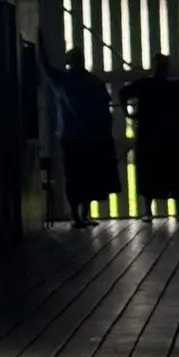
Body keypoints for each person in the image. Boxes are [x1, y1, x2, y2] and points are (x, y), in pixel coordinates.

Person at [38, 26, 120, 227]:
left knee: (74, 176)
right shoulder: (94, 82)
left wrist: (40, 44)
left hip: (73, 137)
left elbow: (46, 67)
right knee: (88, 176)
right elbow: (105, 110)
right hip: (93, 137)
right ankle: (83, 214)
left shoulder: (64, 81)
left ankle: (77, 215)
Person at [120, 53, 179, 220]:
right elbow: (123, 93)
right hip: (163, 136)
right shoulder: (171, 86)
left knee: (165, 172)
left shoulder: (148, 85)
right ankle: (157, 211)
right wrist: (129, 114)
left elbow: (123, 93)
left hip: (158, 136)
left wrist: (129, 114)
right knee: (157, 173)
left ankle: (167, 211)